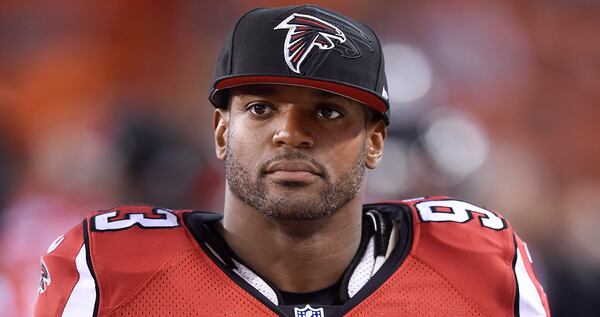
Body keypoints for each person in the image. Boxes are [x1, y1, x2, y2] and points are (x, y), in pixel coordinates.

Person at [34, 5, 550, 317]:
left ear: (375, 141)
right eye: (261, 108)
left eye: (326, 112)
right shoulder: (108, 270)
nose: (289, 133)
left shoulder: (478, 262)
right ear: (220, 130)